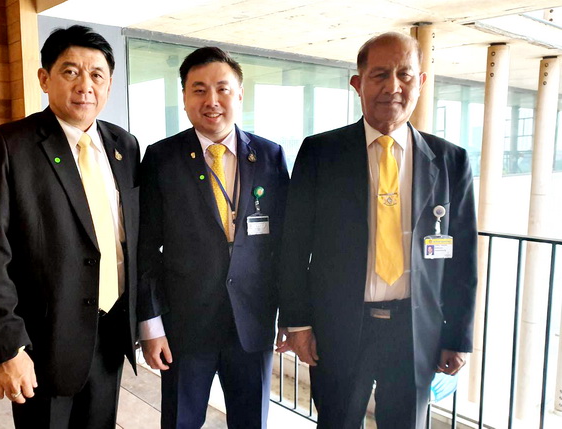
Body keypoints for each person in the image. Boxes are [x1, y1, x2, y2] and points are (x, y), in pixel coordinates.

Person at [277, 32, 478, 429]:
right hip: (339, 328)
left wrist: (458, 337)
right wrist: (298, 323)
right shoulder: (320, 153)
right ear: (358, 83)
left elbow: (463, 260)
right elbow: (293, 246)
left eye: (405, 75)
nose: (393, 87)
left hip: (415, 332)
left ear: (421, 82)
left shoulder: (451, 161)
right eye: (380, 75)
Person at [0, 25, 140, 429]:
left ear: (109, 84)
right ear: (44, 78)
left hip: (111, 332)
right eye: (70, 72)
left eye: (97, 74)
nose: (85, 86)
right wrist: (9, 349)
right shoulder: (8, 146)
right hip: (43, 343)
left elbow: (131, 239)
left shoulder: (124, 146)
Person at [137, 46, 289, 428]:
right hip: (184, 327)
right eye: (199, 90)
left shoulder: (270, 156)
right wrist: (151, 325)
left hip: (252, 325)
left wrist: (291, 316)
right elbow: (145, 248)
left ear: (240, 94)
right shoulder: (161, 158)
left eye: (222, 89)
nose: (212, 101)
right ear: (184, 97)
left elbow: (285, 245)